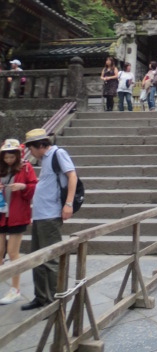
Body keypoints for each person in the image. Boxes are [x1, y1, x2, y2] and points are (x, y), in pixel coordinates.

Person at [21, 128, 78, 310]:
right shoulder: (45, 159)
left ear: (39, 146)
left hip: (50, 214)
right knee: (37, 258)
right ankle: (41, 296)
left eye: (31, 149)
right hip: (41, 215)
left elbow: (72, 176)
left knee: (50, 260)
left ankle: (54, 302)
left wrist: (68, 204)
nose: (31, 153)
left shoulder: (57, 153)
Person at [0, 139, 38, 304]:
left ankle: (15, 289)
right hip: (1, 214)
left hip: (17, 214)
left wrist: (23, 187)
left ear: (17, 155)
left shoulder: (26, 167)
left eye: (11, 157)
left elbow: (34, 187)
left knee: (13, 252)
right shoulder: (1, 168)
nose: (9, 160)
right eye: (6, 157)